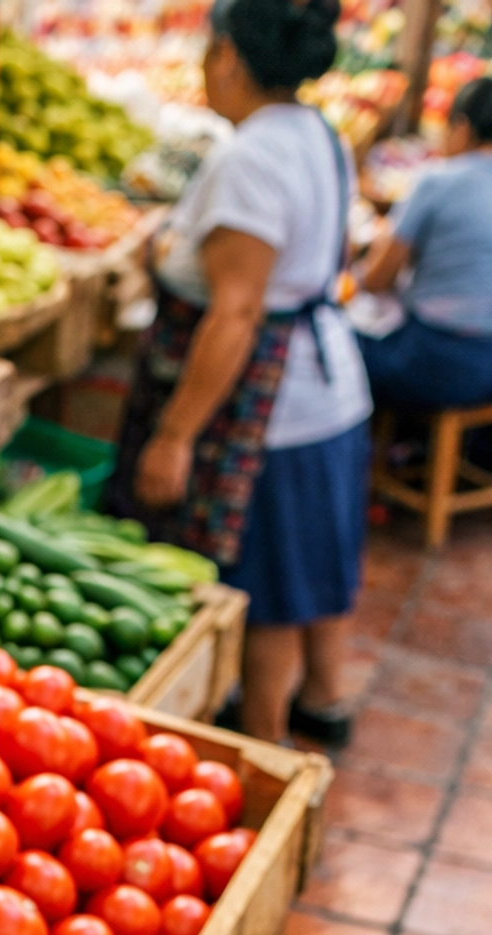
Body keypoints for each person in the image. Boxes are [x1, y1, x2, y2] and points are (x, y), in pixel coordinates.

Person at [106, 0, 372, 746]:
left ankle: (261, 751)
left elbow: (237, 313)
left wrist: (173, 436)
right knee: (311, 560)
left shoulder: (248, 157)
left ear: (228, 57)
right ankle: (323, 699)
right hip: (328, 389)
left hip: (267, 411)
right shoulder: (315, 131)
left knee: (264, 591)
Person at [355, 76, 492, 411]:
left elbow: (376, 280)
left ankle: (375, 459)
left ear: (461, 127)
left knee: (337, 349)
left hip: (435, 363)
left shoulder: (437, 181)